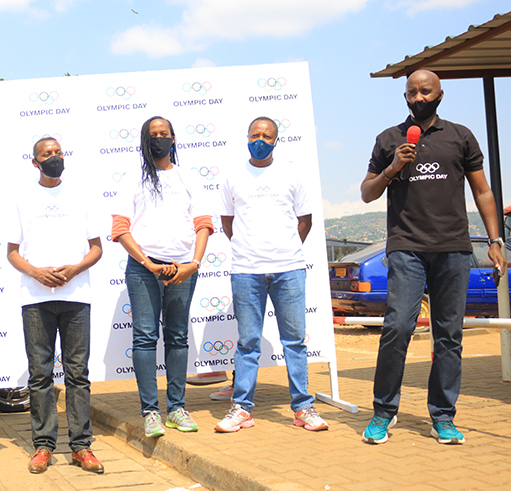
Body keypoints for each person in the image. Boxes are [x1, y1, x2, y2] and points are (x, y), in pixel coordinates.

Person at [359, 69, 506, 445]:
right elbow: (367, 193)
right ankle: (383, 412)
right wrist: (393, 167)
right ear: (405, 97)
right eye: (412, 92)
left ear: (440, 94)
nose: (418, 98)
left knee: (449, 336)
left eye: (426, 91)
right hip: (406, 247)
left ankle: (442, 416)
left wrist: (495, 240)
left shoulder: (460, 136)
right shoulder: (389, 139)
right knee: (396, 329)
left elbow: (483, 192)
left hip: (453, 250)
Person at [214, 117, 327, 434]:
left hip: (288, 268)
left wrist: (283, 250)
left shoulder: (292, 173)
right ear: (246, 136)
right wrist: (250, 249)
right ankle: (241, 409)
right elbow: (227, 222)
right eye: (255, 134)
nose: (259, 139)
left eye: (266, 135)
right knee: (248, 343)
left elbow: (305, 220)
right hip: (246, 270)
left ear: (276, 140)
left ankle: (303, 408)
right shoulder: (232, 175)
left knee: (294, 341)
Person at [7, 136, 104, 474]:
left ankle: (81, 446)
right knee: (40, 375)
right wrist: (36, 273)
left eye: (59, 152)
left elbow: (96, 248)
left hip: (76, 297)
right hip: (36, 299)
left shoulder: (81, 194)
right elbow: (12, 252)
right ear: (34, 162)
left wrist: (75, 269)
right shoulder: (21, 198)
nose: (54, 158)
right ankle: (43, 446)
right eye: (47, 154)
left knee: (78, 375)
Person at [111, 116, 213, 438]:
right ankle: (151, 412)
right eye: (153, 135)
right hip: (144, 268)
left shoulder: (188, 178)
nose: (159, 138)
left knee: (178, 336)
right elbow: (120, 229)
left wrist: (194, 263)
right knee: (144, 337)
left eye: (164, 134)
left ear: (173, 139)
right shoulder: (133, 179)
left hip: (183, 268)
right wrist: (147, 262)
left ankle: (177, 408)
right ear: (145, 141)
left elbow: (203, 224)